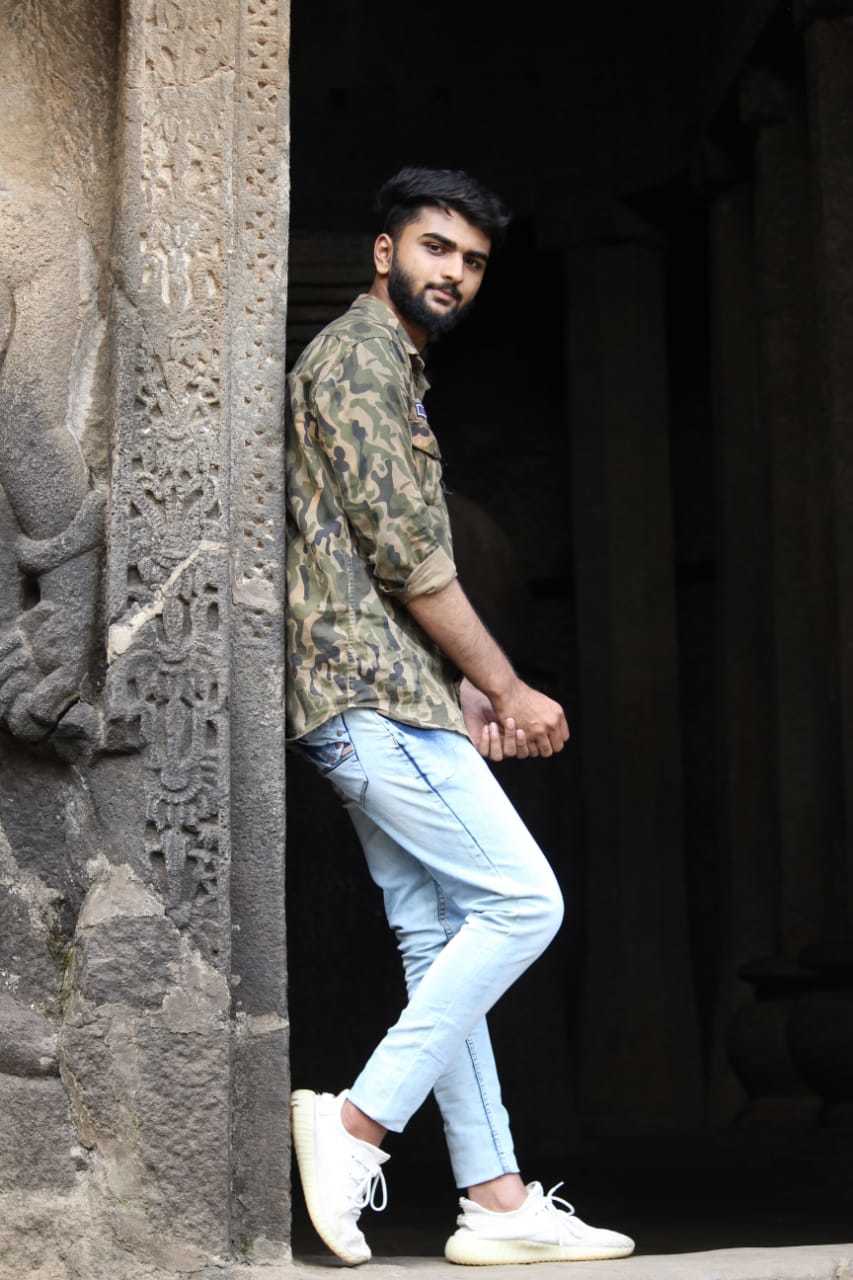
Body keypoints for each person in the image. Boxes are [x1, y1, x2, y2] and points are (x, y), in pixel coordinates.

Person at [286, 167, 634, 1267]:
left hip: (387, 690)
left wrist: (464, 683)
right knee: (524, 901)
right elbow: (407, 556)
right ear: (384, 252)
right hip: (369, 697)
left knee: (440, 937)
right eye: (435, 248)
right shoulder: (357, 357)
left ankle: (494, 1198)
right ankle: (355, 1123)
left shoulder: (392, 365)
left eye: (473, 261)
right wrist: (509, 684)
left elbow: (376, 558)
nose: (454, 273)